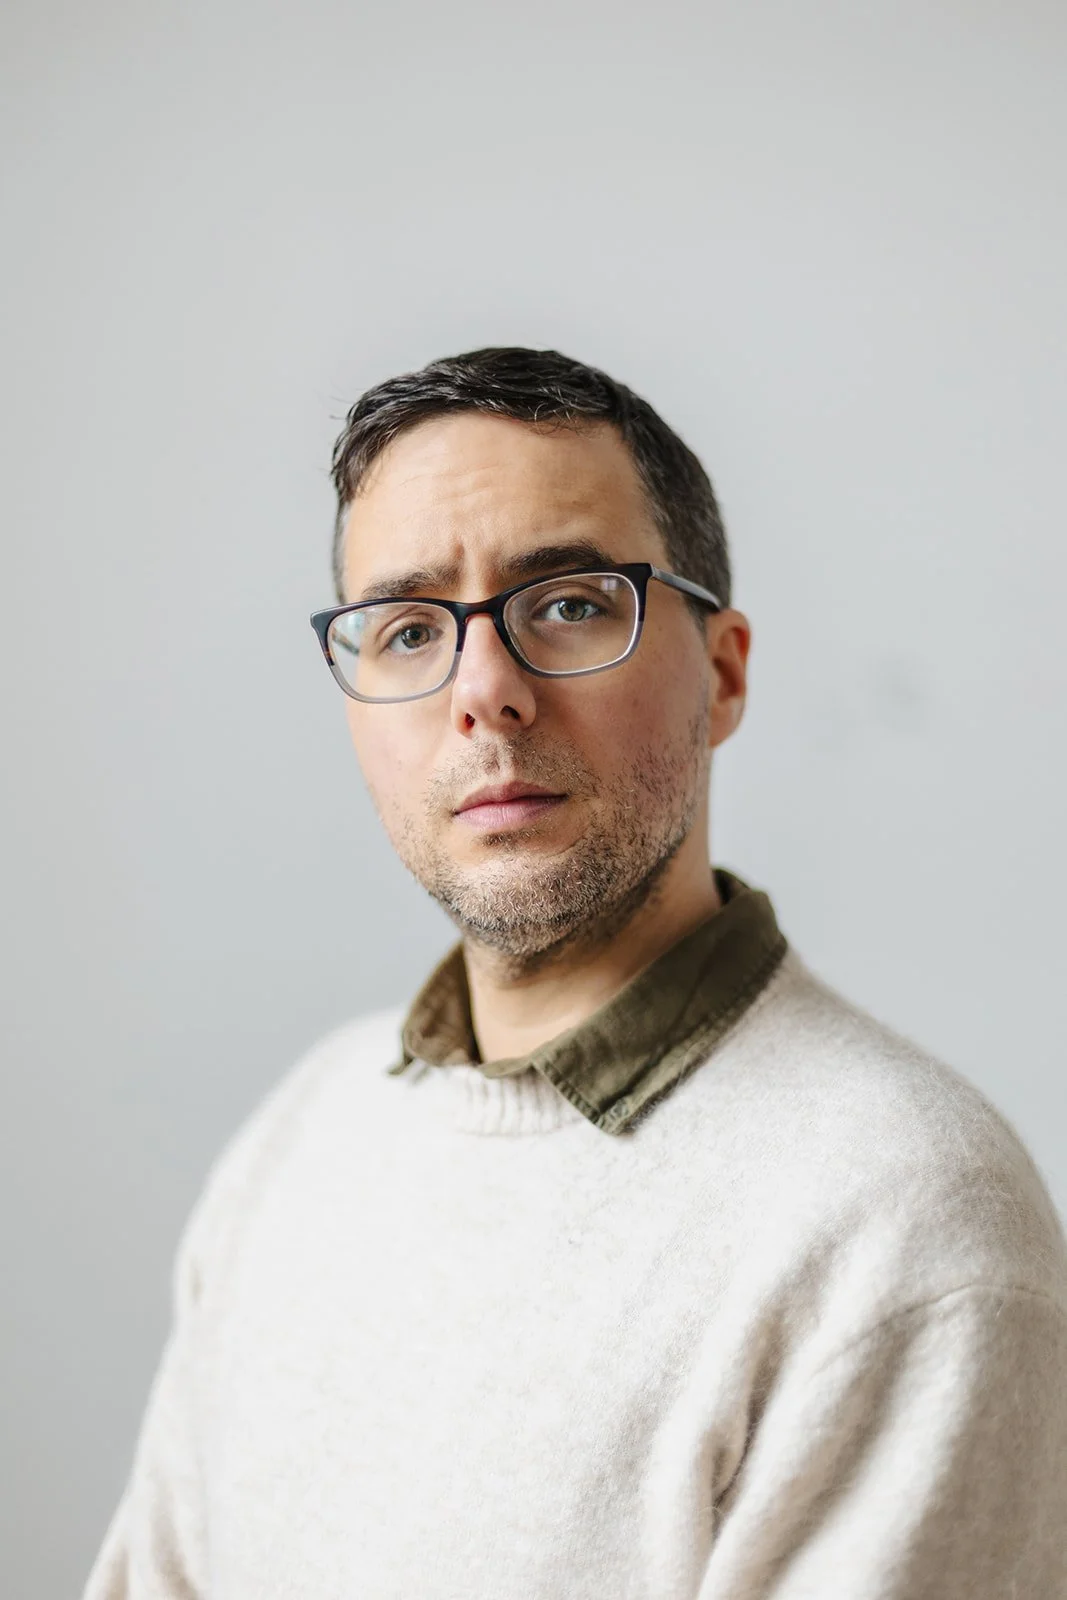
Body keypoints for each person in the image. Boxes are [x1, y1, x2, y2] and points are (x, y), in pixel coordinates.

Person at [85, 347, 1067, 1599]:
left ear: (721, 674)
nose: (484, 694)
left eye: (569, 604)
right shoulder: (297, 1142)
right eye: (405, 628)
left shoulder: (904, 1223)